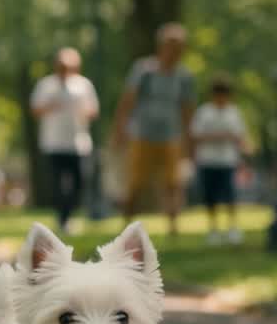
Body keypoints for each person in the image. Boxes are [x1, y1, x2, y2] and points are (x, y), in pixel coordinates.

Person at [112, 23, 197, 237]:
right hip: (142, 135)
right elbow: (128, 101)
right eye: (173, 46)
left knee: (172, 183)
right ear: (161, 46)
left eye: (180, 47)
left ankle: (173, 228)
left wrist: (190, 139)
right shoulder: (144, 70)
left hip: (171, 136)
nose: (177, 51)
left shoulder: (184, 76)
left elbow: (187, 109)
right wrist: (119, 130)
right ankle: (126, 225)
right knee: (135, 183)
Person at [30, 47, 100, 235]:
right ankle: (62, 219)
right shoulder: (46, 85)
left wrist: (81, 110)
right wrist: (52, 106)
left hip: (79, 144)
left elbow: (94, 111)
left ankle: (68, 216)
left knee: (79, 183)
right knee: (57, 185)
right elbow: (35, 110)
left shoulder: (83, 85)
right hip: (53, 144)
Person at [191, 75, 247, 245]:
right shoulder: (204, 112)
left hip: (227, 161)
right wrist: (218, 136)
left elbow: (240, 136)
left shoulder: (234, 112)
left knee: (230, 195)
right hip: (208, 161)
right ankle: (213, 229)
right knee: (210, 197)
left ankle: (232, 228)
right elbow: (195, 135)